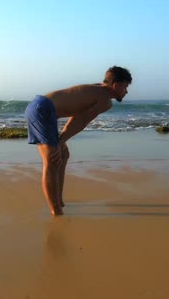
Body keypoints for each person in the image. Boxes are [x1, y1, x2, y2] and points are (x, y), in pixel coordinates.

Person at [25, 66, 133, 216]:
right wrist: (61, 140)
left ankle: (59, 202)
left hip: (41, 106)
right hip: (43, 109)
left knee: (63, 155)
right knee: (52, 160)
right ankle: (56, 210)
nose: (126, 91)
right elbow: (82, 120)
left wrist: (62, 141)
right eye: (126, 86)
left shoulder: (98, 89)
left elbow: (77, 115)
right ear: (116, 85)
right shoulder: (105, 100)